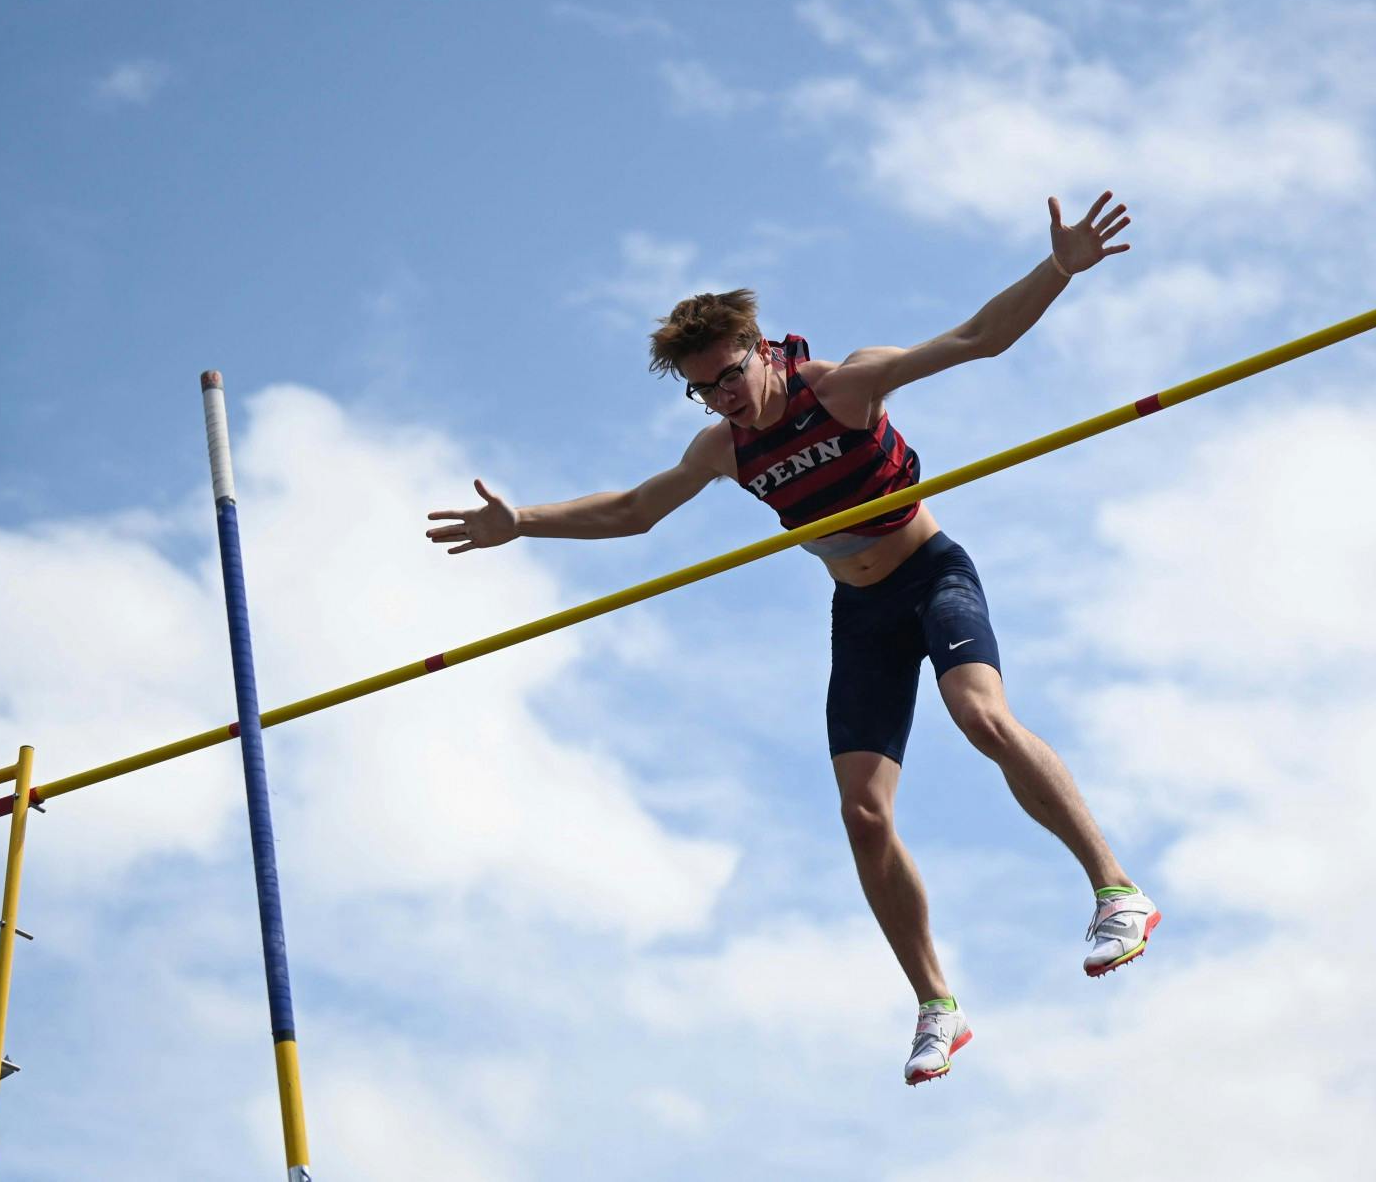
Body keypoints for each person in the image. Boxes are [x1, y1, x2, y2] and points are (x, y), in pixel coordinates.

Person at [426, 192, 1158, 1086]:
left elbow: (976, 338)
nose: (726, 396)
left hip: (931, 576)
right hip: (860, 616)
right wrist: (523, 522)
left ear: (763, 350)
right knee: (862, 815)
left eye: (732, 374)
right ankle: (937, 1005)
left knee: (981, 718)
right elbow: (634, 510)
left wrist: (1057, 270)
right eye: (706, 388)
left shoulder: (844, 386)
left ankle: (1116, 890)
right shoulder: (723, 449)